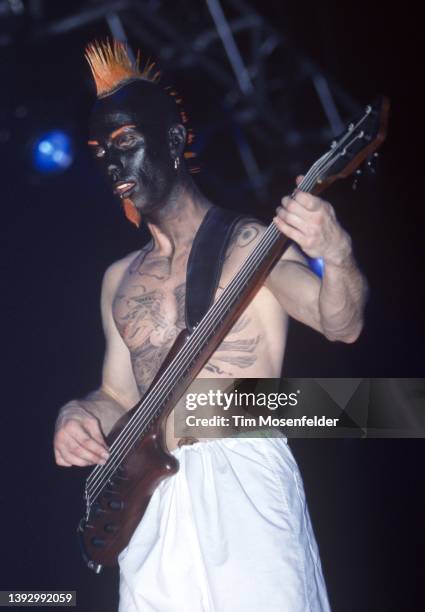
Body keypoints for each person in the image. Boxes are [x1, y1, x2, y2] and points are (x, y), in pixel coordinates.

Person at [53, 40, 367, 612]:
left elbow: (338, 322)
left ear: (172, 140)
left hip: (241, 469)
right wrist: (77, 414)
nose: (114, 166)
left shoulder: (249, 244)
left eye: (125, 144)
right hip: (149, 499)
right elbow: (118, 395)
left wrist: (337, 251)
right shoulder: (117, 278)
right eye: (102, 154)